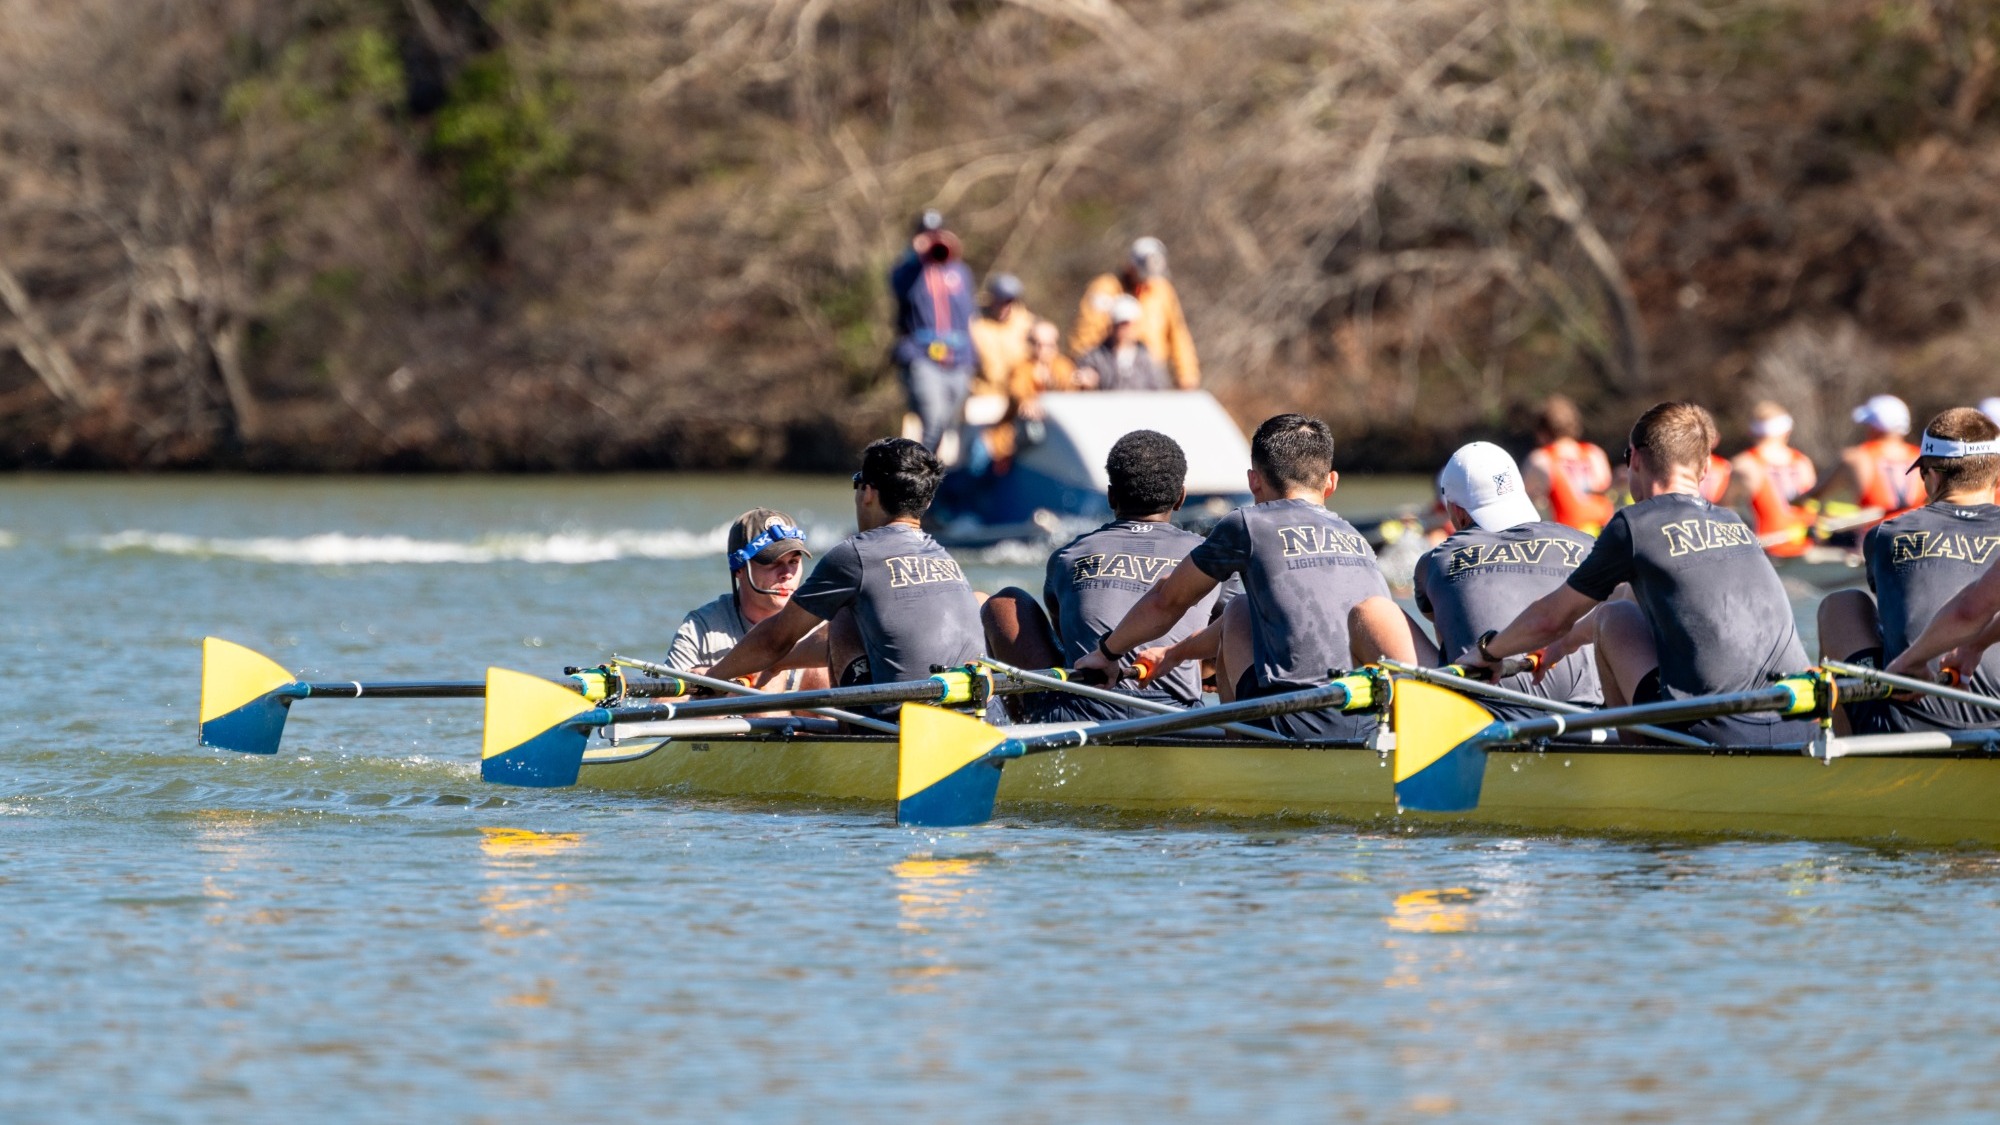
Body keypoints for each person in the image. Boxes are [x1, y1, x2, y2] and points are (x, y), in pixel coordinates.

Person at [1462, 402, 1814, 747]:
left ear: (1637, 460)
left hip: (1717, 735)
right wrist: (1562, 646)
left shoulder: (1635, 524)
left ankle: (1638, 768)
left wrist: (1489, 653)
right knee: (1622, 605)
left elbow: (1549, 618)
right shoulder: (1735, 523)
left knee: (1612, 619)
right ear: (1705, 468)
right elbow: (1626, 596)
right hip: (1800, 727)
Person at [1074, 414, 1414, 742]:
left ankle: (1240, 754)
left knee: (1237, 609)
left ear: (1254, 481)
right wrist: (1175, 654)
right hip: (1369, 722)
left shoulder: (1248, 524)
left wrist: (1107, 652)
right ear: (1331, 483)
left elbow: (1168, 601)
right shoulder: (1356, 537)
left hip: (1294, 726)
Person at [706, 438, 986, 712]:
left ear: (867, 492)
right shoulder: (944, 556)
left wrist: (712, 680)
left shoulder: (854, 555)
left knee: (843, 614)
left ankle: (849, 733)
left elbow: (775, 639)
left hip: (904, 729)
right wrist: (779, 663)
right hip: (972, 716)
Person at [983, 430, 1225, 721]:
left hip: (1085, 716)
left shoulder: (1067, 556)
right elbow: (1229, 630)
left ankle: (1027, 728)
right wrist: (1207, 666)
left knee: (1004, 603)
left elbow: (1069, 644)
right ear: (1180, 498)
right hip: (1178, 715)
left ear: (1111, 496)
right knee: (1235, 618)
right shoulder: (1209, 555)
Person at [1819, 408, 2000, 734]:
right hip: (1996, 720)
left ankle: (1842, 754)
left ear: (1931, 476)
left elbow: (1943, 611)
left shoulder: (1885, 535)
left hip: (1908, 721)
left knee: (1841, 605)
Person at [1412, 442, 1602, 720]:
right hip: (1593, 715)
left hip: (1492, 718)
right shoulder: (1589, 544)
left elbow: (1443, 618)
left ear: (1456, 510)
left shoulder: (1434, 560)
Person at [665, 509, 830, 692]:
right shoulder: (701, 627)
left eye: (793, 562)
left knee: (820, 674)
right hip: (733, 718)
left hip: (814, 718)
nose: (787, 575)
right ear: (739, 569)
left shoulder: (822, 622)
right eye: (772, 562)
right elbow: (664, 702)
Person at [888, 211, 978, 453]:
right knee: (933, 420)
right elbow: (899, 289)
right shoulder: (907, 272)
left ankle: (927, 475)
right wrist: (916, 256)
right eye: (926, 235)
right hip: (922, 356)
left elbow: (971, 317)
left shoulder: (960, 271)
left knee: (947, 423)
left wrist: (972, 358)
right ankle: (918, 480)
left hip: (958, 359)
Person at [1067, 237, 1200, 389]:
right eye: (1143, 275)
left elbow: (1178, 334)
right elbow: (1085, 336)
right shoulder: (1105, 289)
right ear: (1131, 267)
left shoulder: (1162, 290)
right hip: (1109, 374)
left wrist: (1187, 374)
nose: (1147, 281)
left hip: (1151, 376)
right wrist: (1087, 368)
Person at [1807, 393, 1925, 523]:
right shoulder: (1924, 457)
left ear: (1874, 427)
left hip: (1875, 538)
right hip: (1920, 538)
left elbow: (1814, 496)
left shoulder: (1856, 457)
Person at [1729, 401, 1818, 557]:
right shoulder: (1804, 462)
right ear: (1786, 432)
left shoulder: (1744, 464)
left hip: (1766, 551)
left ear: (1753, 432)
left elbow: (1722, 509)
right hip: (1804, 547)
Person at [985, 320, 1078, 467]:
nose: (1042, 349)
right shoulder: (1022, 367)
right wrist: (1026, 401)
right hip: (1017, 434)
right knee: (982, 454)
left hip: (1055, 436)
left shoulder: (1063, 367)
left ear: (1056, 346)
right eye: (1036, 343)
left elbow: (1071, 390)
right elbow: (1017, 389)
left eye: (1048, 345)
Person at [1522, 394, 1615, 534]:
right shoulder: (1595, 453)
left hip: (1570, 538)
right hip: (1605, 532)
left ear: (1542, 432)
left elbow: (1522, 501)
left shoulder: (1541, 459)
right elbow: (1606, 489)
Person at [1075, 296, 1169, 391]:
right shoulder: (1097, 357)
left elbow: (1159, 389)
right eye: (1120, 324)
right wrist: (1086, 380)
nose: (1125, 330)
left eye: (1128, 324)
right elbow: (1081, 375)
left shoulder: (1149, 359)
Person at [968, 273, 1035, 397]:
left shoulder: (1027, 325)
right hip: (984, 393)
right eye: (1000, 302)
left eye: (1009, 302)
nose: (1004, 307)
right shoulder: (976, 324)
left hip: (1020, 395)